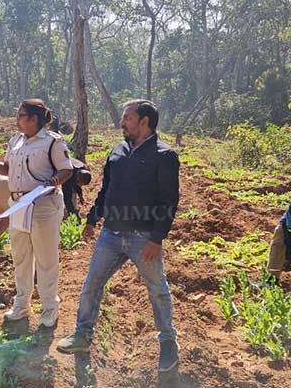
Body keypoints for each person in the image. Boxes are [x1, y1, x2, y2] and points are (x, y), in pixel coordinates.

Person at [56, 100, 180, 375]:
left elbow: (169, 200)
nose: (121, 122)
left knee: (157, 289)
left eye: (128, 118)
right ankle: (82, 335)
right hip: (110, 234)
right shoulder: (118, 151)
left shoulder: (164, 155)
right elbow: (106, 190)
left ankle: (168, 342)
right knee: (92, 284)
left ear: (144, 122)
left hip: (143, 237)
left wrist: (156, 238)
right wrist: (92, 219)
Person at [0, 98, 73, 329]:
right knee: (20, 256)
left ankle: (49, 308)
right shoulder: (16, 140)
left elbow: (66, 169)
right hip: (19, 203)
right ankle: (21, 305)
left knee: (46, 259)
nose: (17, 120)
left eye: (20, 116)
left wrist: (53, 181)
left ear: (34, 119)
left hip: (43, 205)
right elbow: (7, 170)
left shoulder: (52, 141)